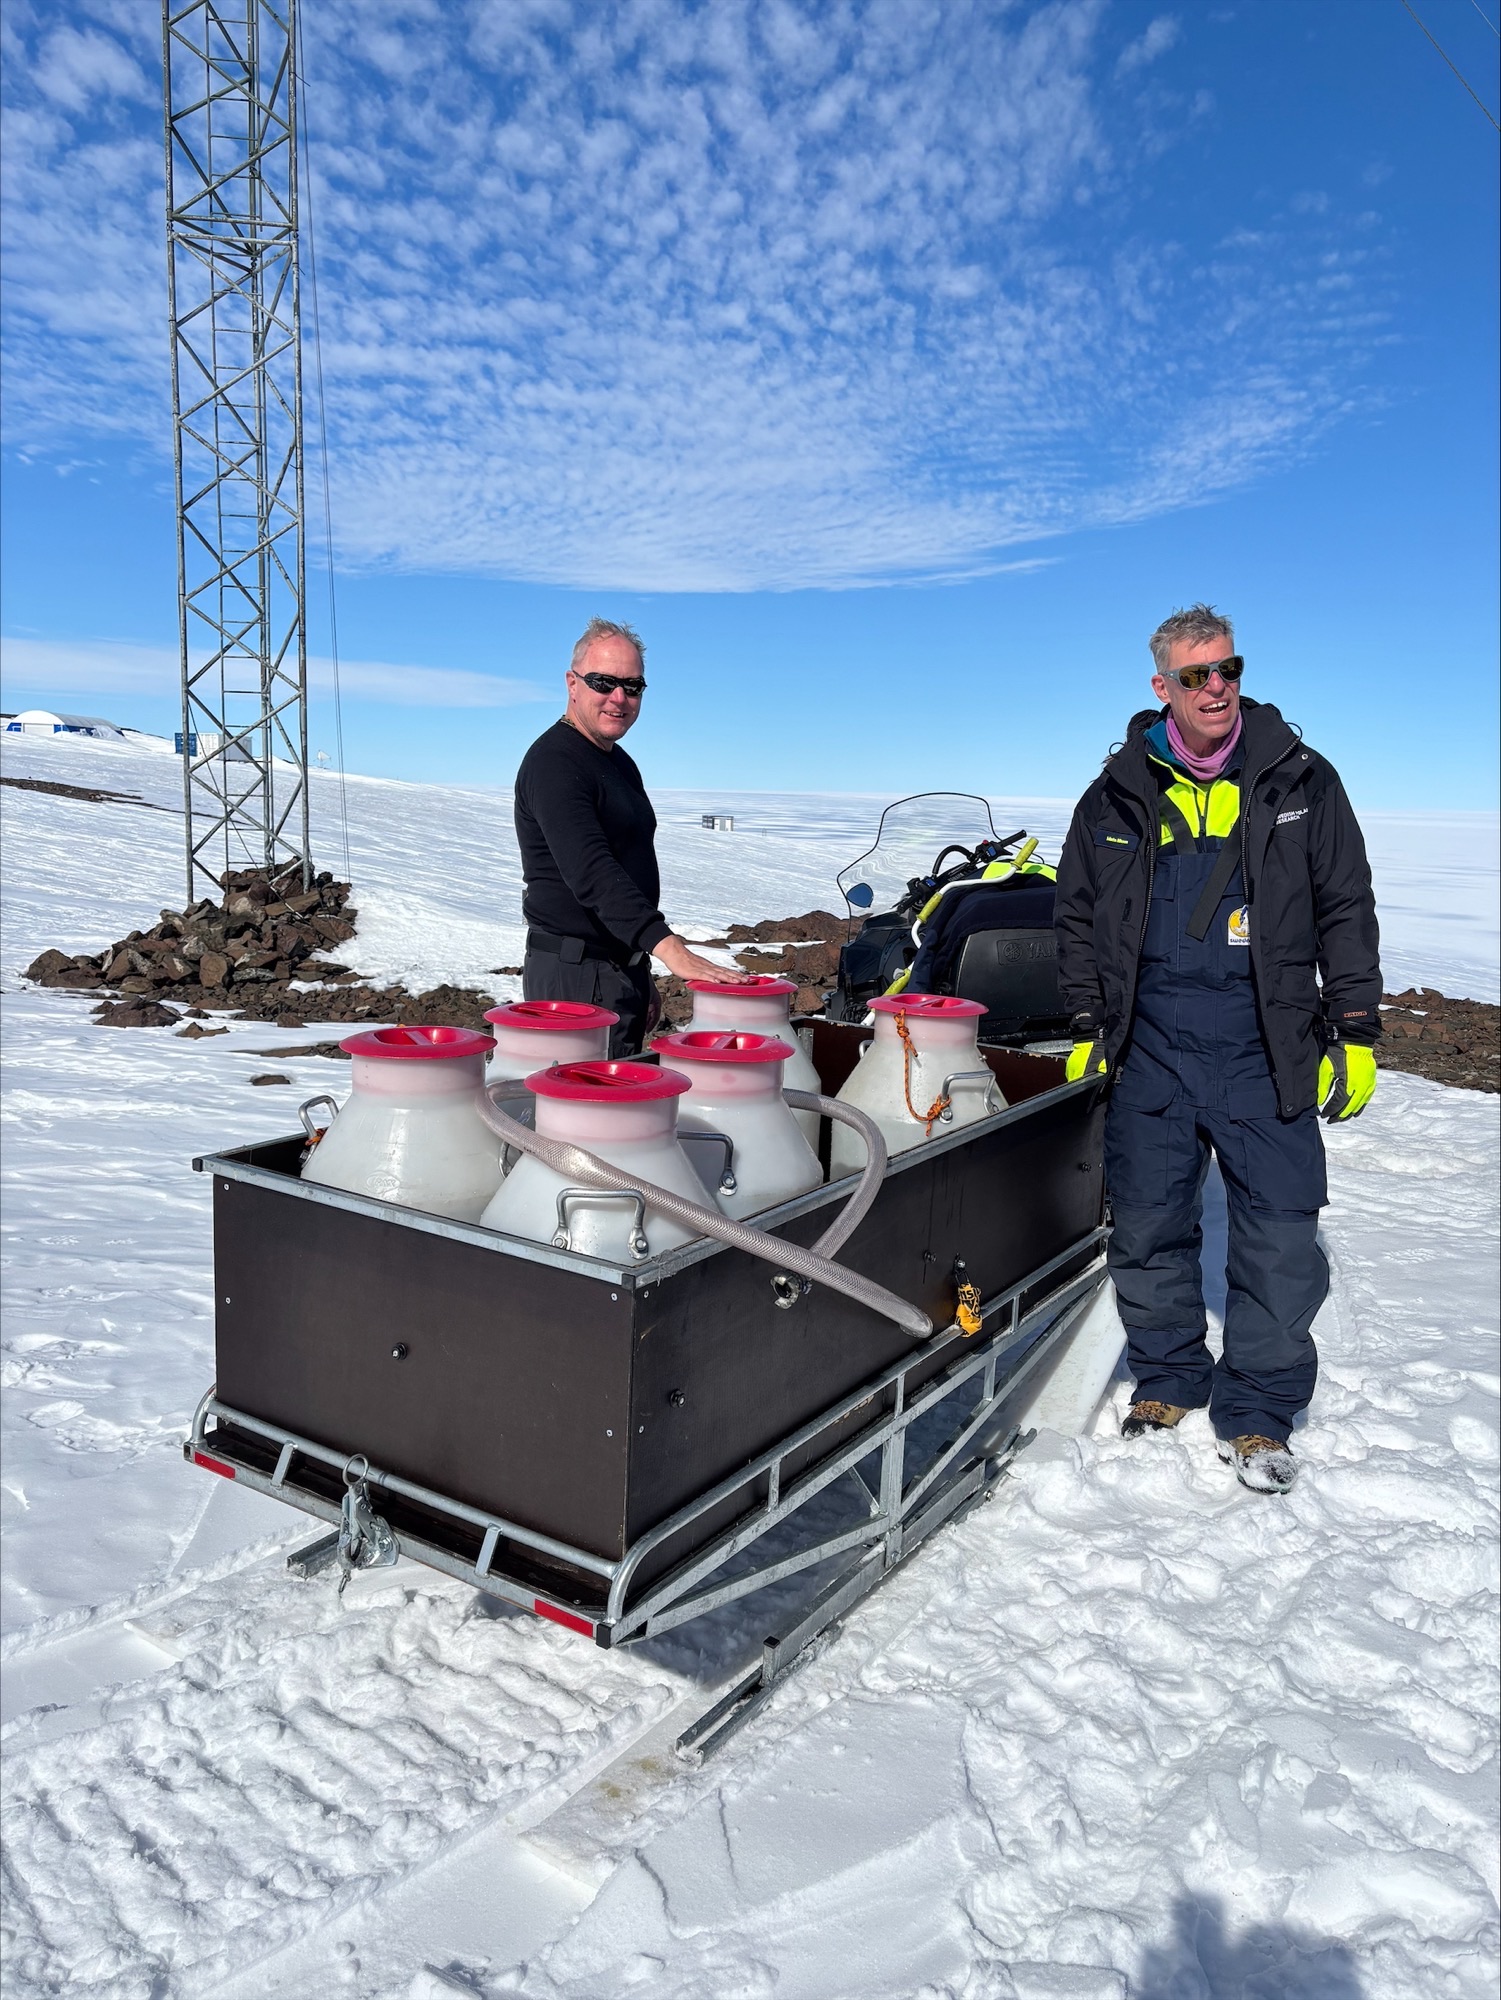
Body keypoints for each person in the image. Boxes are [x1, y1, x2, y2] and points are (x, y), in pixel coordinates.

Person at [1054, 604, 1382, 1493]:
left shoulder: (1300, 780)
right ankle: (1167, 1378)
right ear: (1161, 685)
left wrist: (1354, 1030)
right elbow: (1076, 916)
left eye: (1227, 669)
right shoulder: (1116, 792)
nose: (1215, 688)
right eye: (1194, 675)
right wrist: (1086, 1025)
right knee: (1150, 1224)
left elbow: (1345, 907)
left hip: (1263, 1046)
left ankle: (1260, 1409)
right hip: (1150, 1047)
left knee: (1279, 1236)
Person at [514, 618, 747, 1055]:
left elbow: (625, 864)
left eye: (633, 686)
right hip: (574, 977)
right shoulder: (555, 763)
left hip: (614, 968)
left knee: (623, 1093)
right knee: (588, 1098)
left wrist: (638, 966)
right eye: (603, 682)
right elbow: (591, 871)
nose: (618, 698)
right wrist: (669, 949)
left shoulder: (617, 762)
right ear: (572, 683)